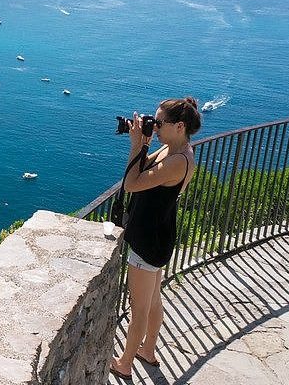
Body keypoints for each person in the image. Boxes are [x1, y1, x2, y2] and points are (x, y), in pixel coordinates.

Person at [110, 97, 201, 380]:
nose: (156, 126)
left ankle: (125, 364)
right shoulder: (176, 149)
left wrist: (137, 145)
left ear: (179, 126)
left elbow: (132, 183)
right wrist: (144, 141)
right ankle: (148, 350)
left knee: (139, 308)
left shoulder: (177, 161)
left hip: (148, 239)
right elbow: (142, 169)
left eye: (160, 123)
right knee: (153, 300)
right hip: (159, 234)